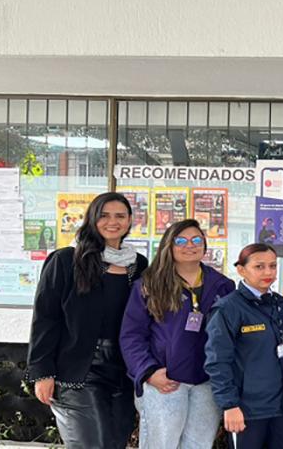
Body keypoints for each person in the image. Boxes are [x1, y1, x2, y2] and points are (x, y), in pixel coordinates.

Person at [26, 192, 149, 449]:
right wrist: (42, 372)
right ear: (92, 219)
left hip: (123, 371)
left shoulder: (138, 265)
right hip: (80, 370)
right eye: (104, 215)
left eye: (120, 216)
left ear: (129, 221)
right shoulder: (66, 260)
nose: (112, 222)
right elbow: (45, 318)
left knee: (114, 443)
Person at [119, 219, 235, 449]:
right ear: (169, 246)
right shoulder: (149, 285)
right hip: (165, 381)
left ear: (205, 244)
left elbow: (230, 336)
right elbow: (132, 335)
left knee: (198, 445)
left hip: (206, 382)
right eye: (181, 240)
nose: (189, 245)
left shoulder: (223, 286)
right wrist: (149, 372)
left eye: (196, 240)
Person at [204, 243, 283, 449]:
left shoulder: (278, 304)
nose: (268, 272)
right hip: (248, 410)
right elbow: (217, 361)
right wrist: (229, 405)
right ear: (241, 270)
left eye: (272, 266)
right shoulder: (228, 309)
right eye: (259, 267)